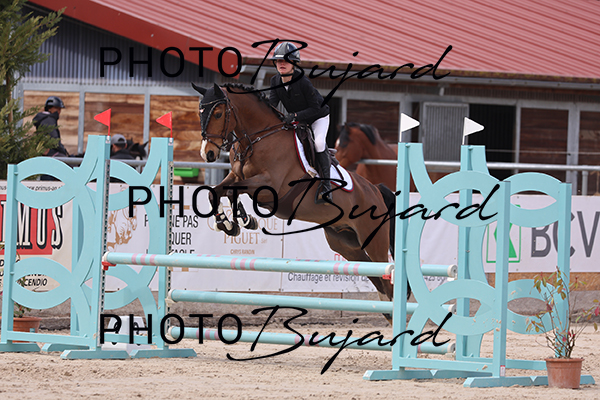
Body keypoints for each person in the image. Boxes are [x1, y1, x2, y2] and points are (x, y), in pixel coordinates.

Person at [268, 42, 332, 204]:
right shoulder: (275, 81)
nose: (281, 64)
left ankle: (327, 186)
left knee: (318, 143)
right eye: (278, 61)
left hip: (318, 117)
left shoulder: (303, 82)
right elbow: (271, 106)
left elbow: (315, 108)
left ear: (294, 63)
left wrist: (295, 115)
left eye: (286, 61)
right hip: (298, 120)